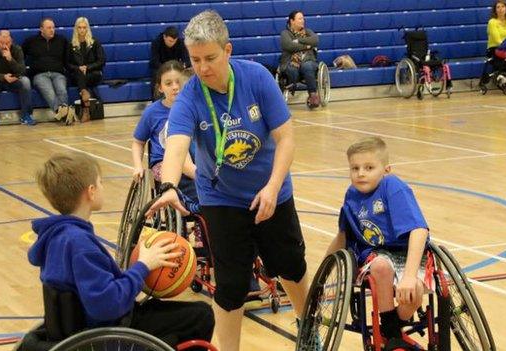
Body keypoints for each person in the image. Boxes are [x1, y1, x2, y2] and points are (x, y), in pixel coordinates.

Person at [146, 11, 310, 351]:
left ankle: (307, 328)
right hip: (221, 198)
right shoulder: (190, 96)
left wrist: (273, 186)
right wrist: (169, 186)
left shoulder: (257, 78)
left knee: (291, 267)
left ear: (228, 50)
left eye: (210, 58)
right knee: (232, 284)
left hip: (272, 190)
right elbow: (176, 145)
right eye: (195, 60)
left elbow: (287, 140)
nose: (203, 67)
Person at [29, 152, 214, 348]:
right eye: (100, 182)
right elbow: (107, 304)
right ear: (91, 191)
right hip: (105, 335)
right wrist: (143, 266)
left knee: (174, 312)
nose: (103, 187)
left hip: (83, 331)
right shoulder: (79, 244)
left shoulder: (57, 237)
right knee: (201, 315)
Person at [325, 137, 430, 351]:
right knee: (381, 266)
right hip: (376, 256)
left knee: (414, 291)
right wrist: (324, 271)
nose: (361, 173)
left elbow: (419, 230)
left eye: (369, 167)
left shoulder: (392, 186)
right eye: (355, 168)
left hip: (407, 252)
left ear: (386, 170)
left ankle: (391, 328)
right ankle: (391, 334)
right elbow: (342, 237)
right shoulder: (351, 195)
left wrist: (409, 276)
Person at [132, 60, 197, 201]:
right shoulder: (152, 112)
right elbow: (138, 142)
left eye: (178, 82)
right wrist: (138, 166)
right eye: (168, 83)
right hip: (163, 162)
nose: (175, 87)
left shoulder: (194, 107)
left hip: (191, 159)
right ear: (160, 88)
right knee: (184, 174)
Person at [23, 18, 75, 121]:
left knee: (62, 90)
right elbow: (21, 57)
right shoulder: (31, 41)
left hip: (58, 73)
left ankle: (62, 114)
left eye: (53, 28)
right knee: (49, 92)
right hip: (39, 74)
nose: (52, 30)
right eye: (49, 28)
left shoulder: (62, 40)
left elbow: (68, 59)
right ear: (41, 29)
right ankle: (64, 114)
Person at [0, 30, 35, 129]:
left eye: (7, 43)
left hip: (12, 80)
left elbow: (22, 70)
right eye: (2, 43)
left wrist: (11, 59)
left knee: (26, 81)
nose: (4, 46)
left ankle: (26, 115)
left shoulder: (17, 49)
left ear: (11, 41)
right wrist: (3, 77)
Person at [67, 17, 106, 122]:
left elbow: (101, 61)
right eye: (79, 28)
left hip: (93, 74)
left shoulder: (94, 42)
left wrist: (87, 67)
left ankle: (85, 108)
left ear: (88, 29)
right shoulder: (71, 45)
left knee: (82, 76)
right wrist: (78, 68)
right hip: (77, 75)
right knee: (80, 74)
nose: (82, 30)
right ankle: (85, 101)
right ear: (76, 29)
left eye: (84, 27)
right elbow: (67, 64)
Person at [280, 10, 320, 108]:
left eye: (303, 18)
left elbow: (315, 40)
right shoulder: (285, 33)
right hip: (291, 62)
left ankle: (313, 95)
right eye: (300, 18)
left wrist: (298, 40)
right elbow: (289, 46)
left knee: (307, 66)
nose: (303, 20)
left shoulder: (308, 31)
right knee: (292, 69)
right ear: (292, 21)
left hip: (308, 60)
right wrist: (306, 46)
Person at [479, 0, 506, 90]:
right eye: (498, 7)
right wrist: (505, 46)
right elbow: (497, 39)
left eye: (503, 6)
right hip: (494, 47)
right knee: (502, 54)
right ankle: (500, 77)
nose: (500, 9)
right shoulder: (492, 22)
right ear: (495, 10)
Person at [149, 26, 190, 98]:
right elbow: (154, 61)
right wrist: (165, 70)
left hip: (175, 67)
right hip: (160, 67)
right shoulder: (156, 42)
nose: (172, 43)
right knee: (155, 77)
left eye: (174, 41)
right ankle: (156, 99)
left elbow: (186, 60)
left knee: (187, 74)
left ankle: (184, 98)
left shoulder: (180, 42)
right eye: (170, 41)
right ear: (164, 37)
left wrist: (183, 65)